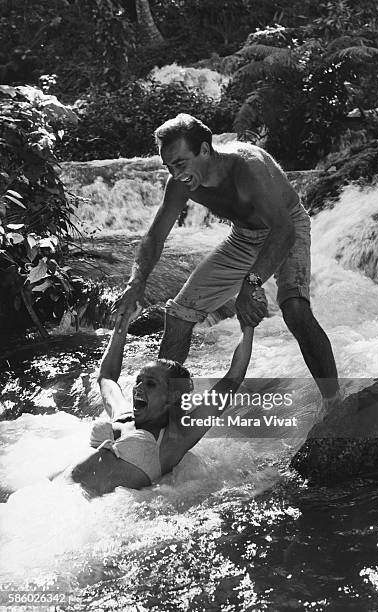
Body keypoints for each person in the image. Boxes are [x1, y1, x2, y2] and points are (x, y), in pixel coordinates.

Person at [114, 113, 340, 409]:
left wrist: (252, 284)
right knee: (180, 315)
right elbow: (154, 237)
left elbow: (283, 231)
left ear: (205, 150)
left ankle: (335, 404)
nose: (176, 173)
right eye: (169, 166)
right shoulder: (180, 183)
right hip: (244, 236)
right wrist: (136, 282)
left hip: (285, 227)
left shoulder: (249, 168)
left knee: (295, 309)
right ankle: (161, 412)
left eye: (181, 163)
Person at [53, 311, 257, 497]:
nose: (138, 388)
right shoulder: (123, 414)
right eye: (139, 381)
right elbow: (106, 377)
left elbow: (233, 377)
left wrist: (248, 327)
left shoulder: (174, 439)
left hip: (84, 511)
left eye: (150, 384)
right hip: (52, 492)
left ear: (172, 397)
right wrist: (121, 325)